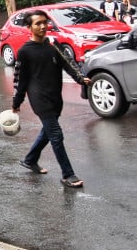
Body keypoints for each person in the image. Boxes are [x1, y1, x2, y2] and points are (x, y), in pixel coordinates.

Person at [12, 10, 90, 188]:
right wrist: (17, 102)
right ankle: (68, 174)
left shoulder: (53, 46)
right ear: (29, 27)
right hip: (39, 98)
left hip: (55, 97)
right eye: (37, 23)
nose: (42, 26)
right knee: (56, 134)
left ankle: (30, 159)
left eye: (44, 23)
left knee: (48, 131)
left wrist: (80, 78)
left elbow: (68, 63)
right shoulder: (24, 51)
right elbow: (20, 80)